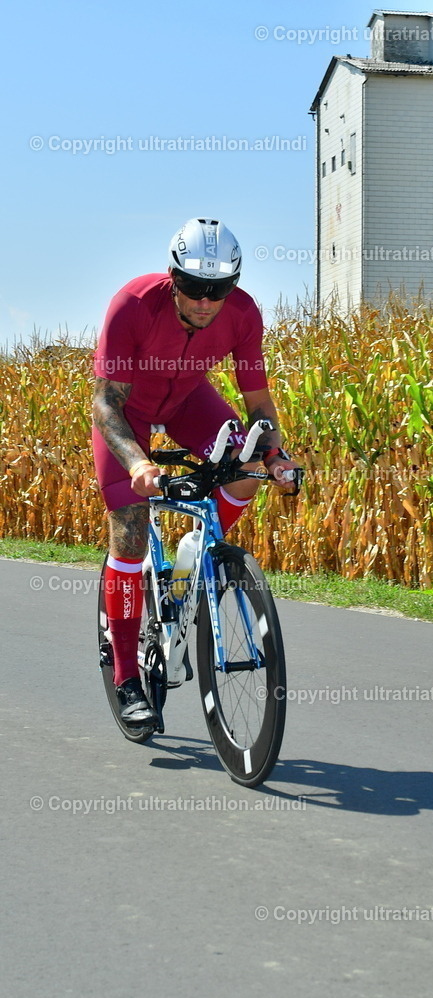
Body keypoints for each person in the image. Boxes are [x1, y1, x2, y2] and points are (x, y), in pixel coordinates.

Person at [92, 217, 300, 727]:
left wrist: (276, 456)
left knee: (245, 465)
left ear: (234, 284)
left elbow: (258, 403)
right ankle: (126, 677)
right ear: (173, 276)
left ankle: (198, 556)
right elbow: (106, 405)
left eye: (219, 289)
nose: (206, 301)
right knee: (131, 530)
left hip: (189, 402)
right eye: (193, 286)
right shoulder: (132, 305)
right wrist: (138, 463)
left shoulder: (243, 313)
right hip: (129, 414)